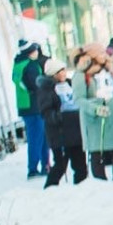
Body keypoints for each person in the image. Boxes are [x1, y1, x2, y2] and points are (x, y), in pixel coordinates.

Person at [75, 42, 113, 181]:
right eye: (100, 53)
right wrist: (95, 108)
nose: (104, 56)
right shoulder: (81, 74)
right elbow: (79, 99)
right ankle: (101, 185)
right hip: (95, 120)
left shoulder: (108, 70)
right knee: (98, 154)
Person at [36, 56, 88, 187]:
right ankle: (50, 188)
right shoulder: (46, 89)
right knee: (61, 164)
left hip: (75, 130)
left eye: (64, 70)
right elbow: (46, 111)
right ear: (53, 74)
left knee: (80, 164)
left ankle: (82, 189)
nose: (64, 74)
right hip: (60, 133)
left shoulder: (70, 83)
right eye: (60, 72)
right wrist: (58, 117)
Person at [13, 40, 48, 179]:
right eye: (34, 50)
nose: (37, 52)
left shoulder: (18, 65)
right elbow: (36, 85)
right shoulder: (31, 65)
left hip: (25, 106)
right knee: (39, 138)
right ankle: (35, 168)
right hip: (35, 106)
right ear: (29, 52)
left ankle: (40, 166)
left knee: (35, 137)